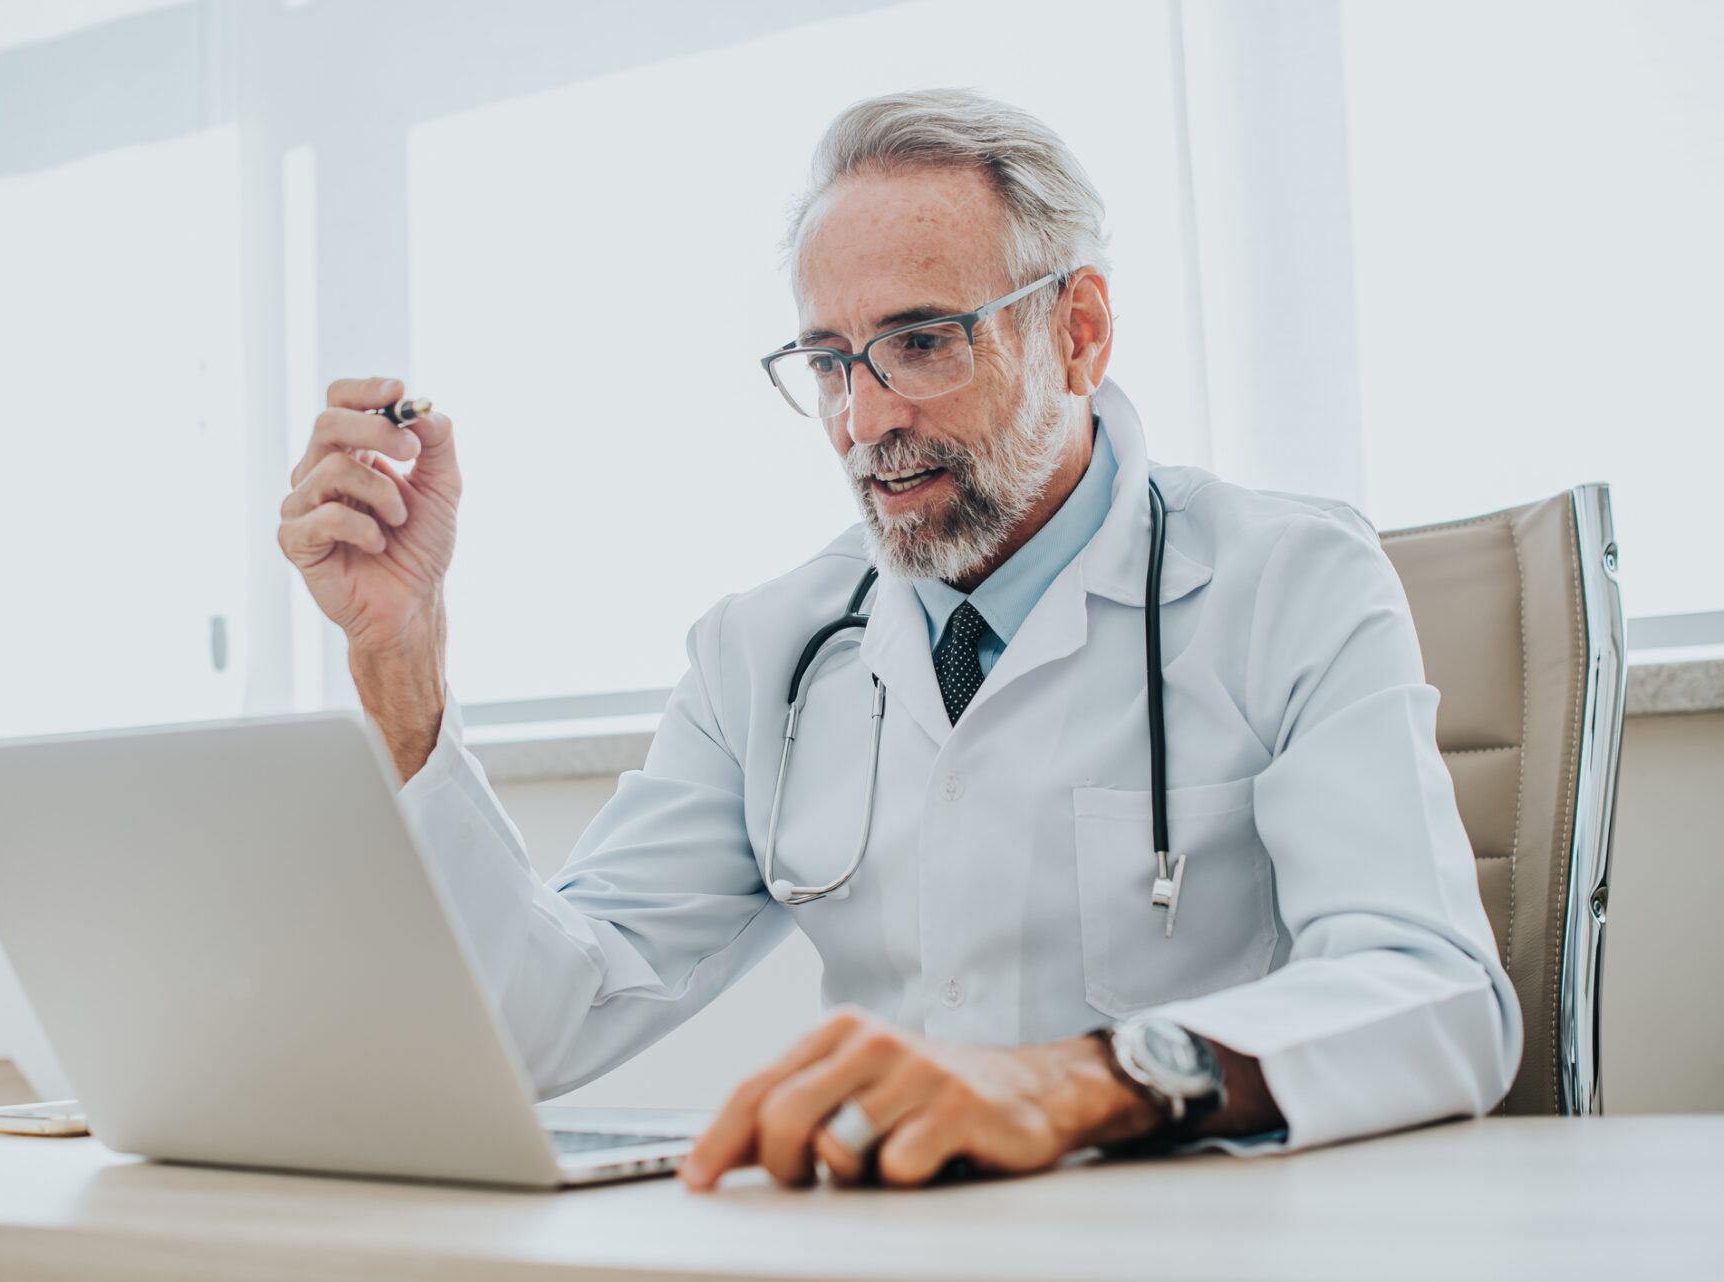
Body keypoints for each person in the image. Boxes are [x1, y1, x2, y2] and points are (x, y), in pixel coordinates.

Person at [275, 89, 1519, 1190]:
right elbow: (535, 1023)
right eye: (829, 360)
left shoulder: (1288, 581)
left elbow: (1439, 993)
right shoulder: (761, 652)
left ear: (1078, 331)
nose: (866, 418)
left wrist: (1081, 1082)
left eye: (921, 342)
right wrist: (404, 660)